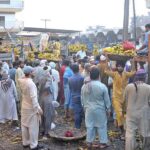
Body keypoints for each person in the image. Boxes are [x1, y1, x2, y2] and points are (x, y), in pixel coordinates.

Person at [81, 67, 111, 149]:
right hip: (100, 109)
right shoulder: (102, 86)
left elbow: (82, 99)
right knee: (101, 126)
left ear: (90, 75)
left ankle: (89, 142)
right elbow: (107, 100)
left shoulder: (84, 86)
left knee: (90, 126)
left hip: (88, 109)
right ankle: (103, 143)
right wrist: (108, 109)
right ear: (99, 75)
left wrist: (84, 107)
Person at [105, 61, 136, 138]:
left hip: (125, 97)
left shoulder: (126, 74)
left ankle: (125, 130)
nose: (120, 67)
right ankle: (122, 130)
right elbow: (106, 71)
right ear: (117, 67)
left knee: (125, 114)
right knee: (119, 114)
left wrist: (133, 62)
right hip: (116, 98)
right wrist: (107, 60)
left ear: (123, 67)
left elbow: (133, 72)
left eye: (121, 66)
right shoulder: (114, 74)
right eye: (118, 66)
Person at [124, 69, 150, 150]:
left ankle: (130, 148)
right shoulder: (148, 88)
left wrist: (124, 110)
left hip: (130, 112)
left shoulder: (128, 86)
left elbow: (124, 100)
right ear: (145, 77)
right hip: (144, 113)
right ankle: (144, 147)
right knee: (145, 132)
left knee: (130, 133)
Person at [19, 66, 43, 150]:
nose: (34, 72)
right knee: (33, 127)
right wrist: (38, 109)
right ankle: (33, 145)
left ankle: (25, 143)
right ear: (30, 73)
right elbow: (33, 98)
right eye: (33, 71)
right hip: (31, 107)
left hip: (24, 106)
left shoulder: (21, 81)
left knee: (24, 125)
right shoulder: (31, 83)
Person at [69, 64, 84, 129]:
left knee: (77, 111)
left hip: (74, 96)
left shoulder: (70, 79)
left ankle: (77, 126)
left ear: (72, 70)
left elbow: (70, 88)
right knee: (81, 110)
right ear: (78, 69)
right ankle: (79, 124)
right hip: (81, 95)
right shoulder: (82, 78)